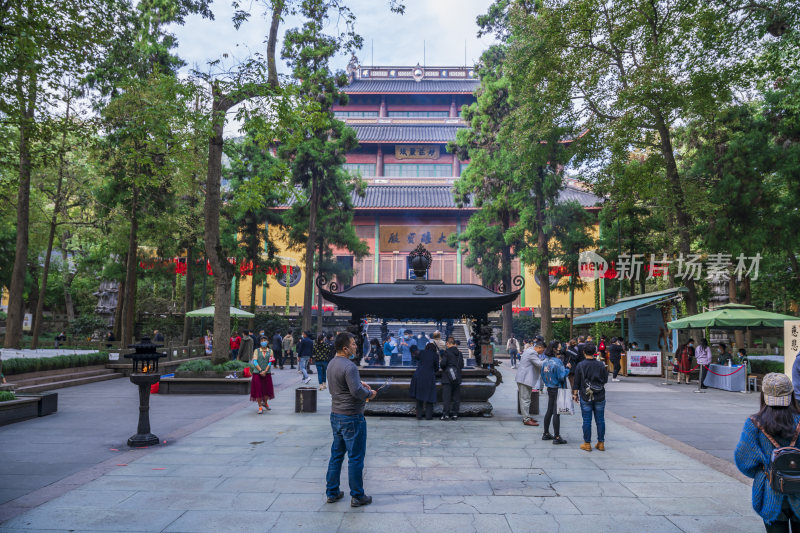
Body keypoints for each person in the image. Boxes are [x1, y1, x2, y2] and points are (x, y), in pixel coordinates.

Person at [735, 373, 800, 532]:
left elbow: (744, 460)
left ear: (764, 395)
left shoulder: (754, 423)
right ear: (791, 394)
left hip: (770, 491)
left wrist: (766, 472)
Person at [325, 332, 376, 508]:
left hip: (336, 415)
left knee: (336, 455)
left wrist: (360, 384)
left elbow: (344, 386)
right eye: (353, 344)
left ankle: (332, 492)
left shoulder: (332, 363)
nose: (356, 346)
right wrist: (369, 393)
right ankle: (357, 495)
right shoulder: (350, 366)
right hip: (352, 416)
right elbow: (356, 392)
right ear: (345, 349)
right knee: (355, 457)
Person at [573, 343, 609, 452]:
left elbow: (577, 382)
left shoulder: (580, 365)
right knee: (600, 420)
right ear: (595, 352)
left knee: (587, 420)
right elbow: (605, 380)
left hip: (586, 395)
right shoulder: (601, 365)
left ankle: (587, 444)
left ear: (584, 352)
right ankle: (601, 443)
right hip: (600, 395)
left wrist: (575, 394)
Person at [542, 340, 569, 445]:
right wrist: (567, 369)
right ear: (554, 349)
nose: (560, 349)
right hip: (557, 387)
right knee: (556, 413)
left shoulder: (545, 361)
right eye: (559, 347)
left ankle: (546, 433)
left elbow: (543, 376)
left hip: (549, 387)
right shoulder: (557, 362)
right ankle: (557, 436)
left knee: (549, 410)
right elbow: (562, 376)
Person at [516, 340, 545, 427]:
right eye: (543, 350)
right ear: (539, 347)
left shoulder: (530, 350)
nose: (542, 352)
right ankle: (526, 419)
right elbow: (539, 364)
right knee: (525, 399)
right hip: (525, 379)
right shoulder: (532, 353)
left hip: (524, 378)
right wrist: (548, 360)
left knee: (526, 398)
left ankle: (527, 416)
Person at [410, 342, 439, 420]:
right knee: (430, 396)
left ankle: (419, 416)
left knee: (419, 396)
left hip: (419, 375)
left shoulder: (422, 352)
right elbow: (436, 368)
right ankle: (428, 416)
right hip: (429, 376)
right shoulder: (435, 355)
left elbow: (416, 358)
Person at [440, 336, 464, 420]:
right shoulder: (459, 353)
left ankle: (445, 414)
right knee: (456, 397)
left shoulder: (446, 352)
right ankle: (455, 414)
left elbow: (443, 364)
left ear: (448, 343)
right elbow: (461, 365)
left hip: (447, 377)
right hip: (457, 377)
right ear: (454, 344)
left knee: (446, 397)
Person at [250, 336, 275, 414]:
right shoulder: (256, 350)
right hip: (257, 373)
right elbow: (255, 361)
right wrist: (261, 370)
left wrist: (265, 371)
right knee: (258, 390)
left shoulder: (270, 351)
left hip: (267, 373)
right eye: (262, 340)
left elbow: (270, 362)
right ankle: (260, 406)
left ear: (267, 342)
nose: (263, 342)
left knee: (267, 390)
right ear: (260, 342)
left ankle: (265, 402)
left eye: (265, 340)